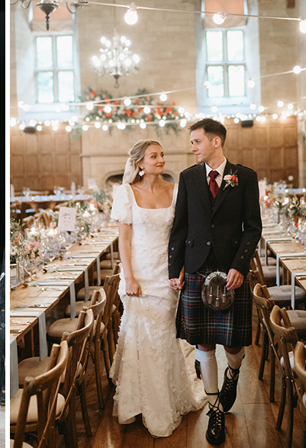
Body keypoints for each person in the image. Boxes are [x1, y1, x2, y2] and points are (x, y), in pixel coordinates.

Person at [168, 119, 261, 445]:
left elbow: (253, 227)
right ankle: (215, 409)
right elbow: (180, 227)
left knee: (233, 345)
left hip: (230, 271)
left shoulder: (244, 177)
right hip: (195, 269)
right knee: (204, 342)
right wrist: (173, 269)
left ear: (216, 141)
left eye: (196, 141)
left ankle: (233, 373)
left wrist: (240, 265)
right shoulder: (188, 177)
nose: (192, 147)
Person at [110, 139, 205, 438]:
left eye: (162, 155)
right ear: (140, 163)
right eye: (154, 156)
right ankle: (138, 402)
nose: (160, 160)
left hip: (166, 276)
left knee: (162, 338)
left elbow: (182, 235)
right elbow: (123, 241)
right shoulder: (125, 194)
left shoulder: (176, 191)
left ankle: (163, 401)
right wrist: (129, 277)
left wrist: (179, 270)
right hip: (138, 275)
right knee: (139, 338)